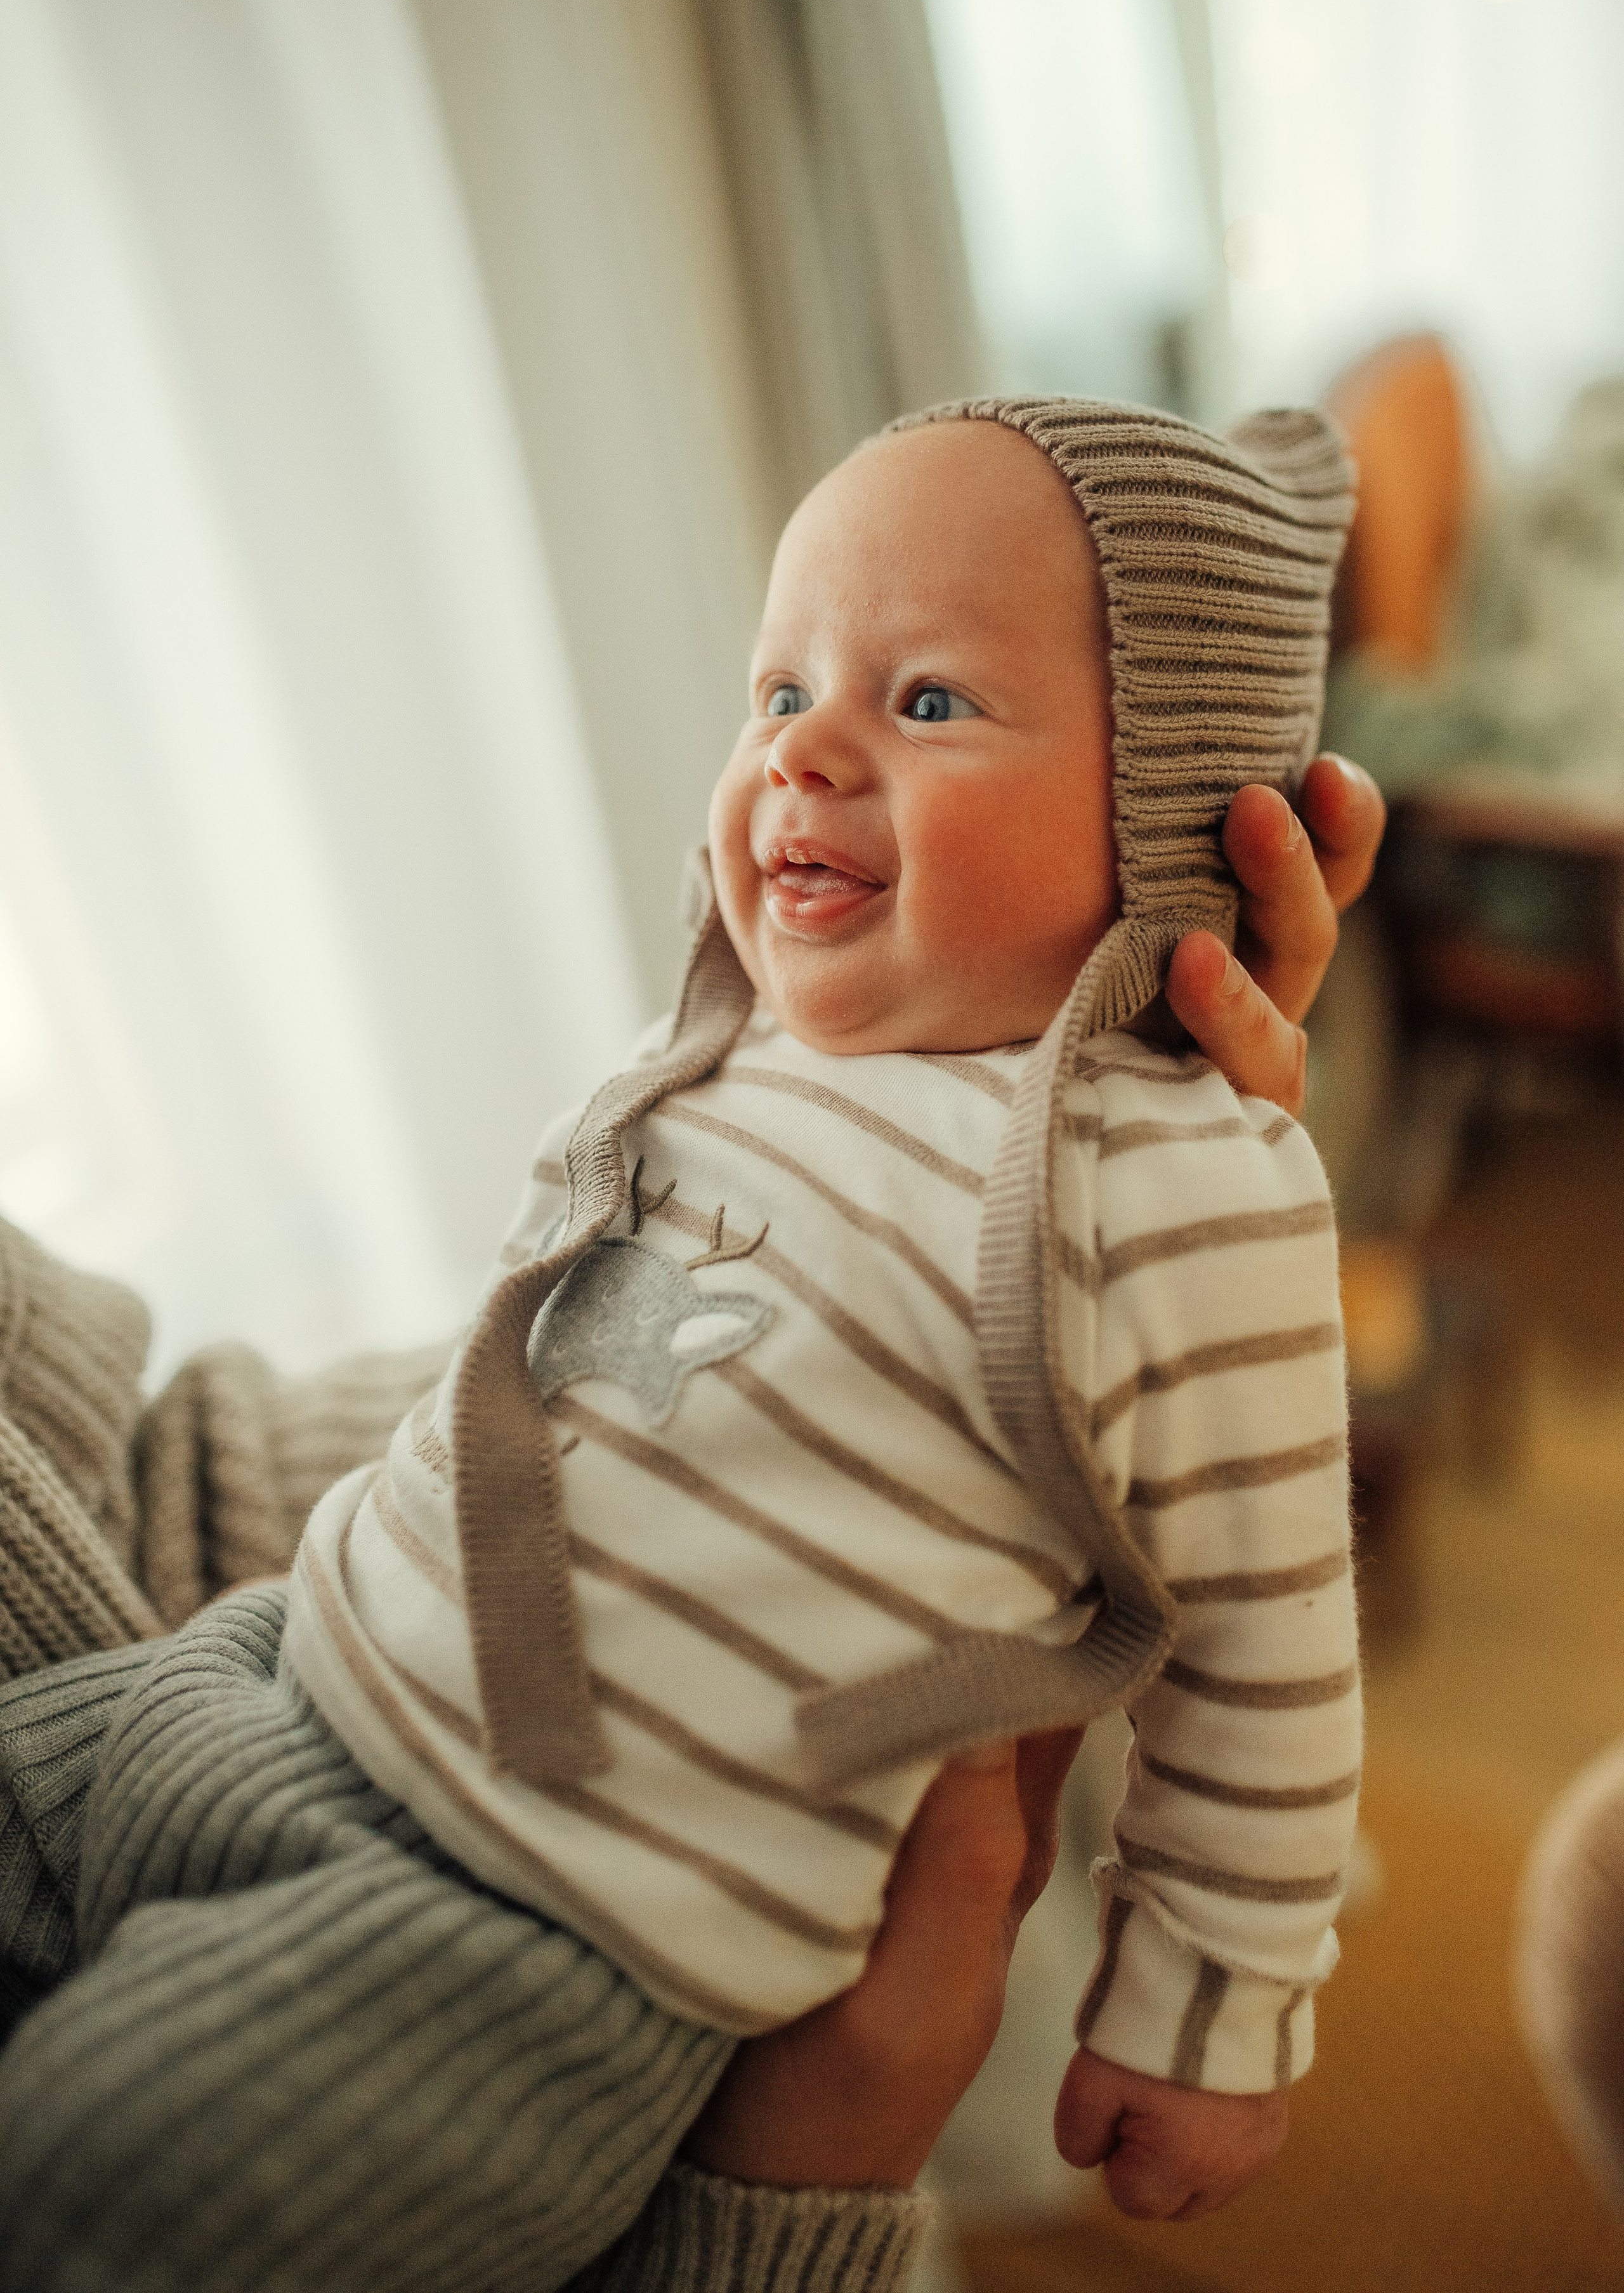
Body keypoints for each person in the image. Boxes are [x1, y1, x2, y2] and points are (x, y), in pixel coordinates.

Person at [0, 399, 1381, 2293]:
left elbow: (1272, 1652)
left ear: (1164, 822)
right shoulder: (750, 1048)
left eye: (926, 704)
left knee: (91, 2193)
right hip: (264, 1666)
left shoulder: (1182, 1183)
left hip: (520, 1942)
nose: (800, 747)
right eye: (780, 683)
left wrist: (1212, 2011)